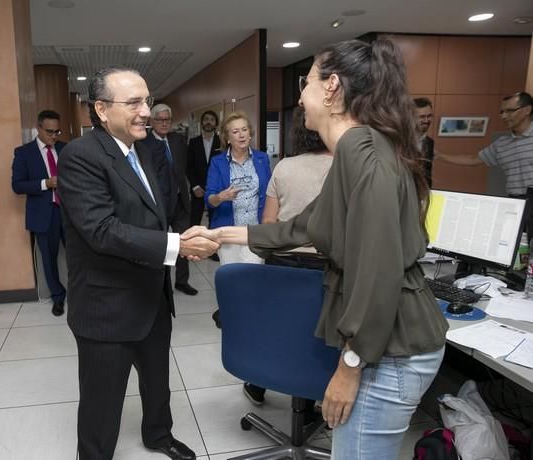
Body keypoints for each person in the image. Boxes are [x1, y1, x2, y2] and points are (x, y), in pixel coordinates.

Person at [183, 39, 449, 459]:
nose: (300, 95)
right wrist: (221, 236)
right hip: (385, 345)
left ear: (332, 87)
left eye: (305, 81)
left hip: (392, 350)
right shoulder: (354, 152)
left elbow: (377, 272)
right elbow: (304, 227)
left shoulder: (366, 155)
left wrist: (349, 366)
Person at [57, 67, 217, 460]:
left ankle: (158, 434)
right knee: (102, 399)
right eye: (134, 103)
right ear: (100, 108)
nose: (146, 111)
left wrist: (185, 236)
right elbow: (102, 230)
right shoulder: (81, 157)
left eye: (146, 100)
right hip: (107, 305)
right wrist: (175, 245)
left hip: (152, 296)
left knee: (158, 381)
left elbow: (161, 209)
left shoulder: (144, 149)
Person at [244, 109, 332, 406]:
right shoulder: (347, 168)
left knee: (278, 325)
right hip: (326, 268)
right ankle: (309, 398)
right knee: (317, 333)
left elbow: (269, 224)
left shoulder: (283, 167)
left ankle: (258, 383)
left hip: (282, 265)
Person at [11, 110, 67, 316]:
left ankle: (82, 294)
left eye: (57, 131)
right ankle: (57, 297)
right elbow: (17, 186)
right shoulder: (24, 153)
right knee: (49, 259)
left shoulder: (65, 148)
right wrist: (46, 183)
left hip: (69, 213)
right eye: (50, 131)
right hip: (45, 215)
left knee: (79, 255)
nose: (54, 136)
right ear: (39, 128)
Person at [140, 103, 198, 296]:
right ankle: (163, 283)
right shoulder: (143, 144)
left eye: (168, 119)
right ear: (152, 121)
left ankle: (182, 281)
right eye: (160, 120)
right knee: (164, 245)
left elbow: (186, 167)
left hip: (181, 201)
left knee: (185, 242)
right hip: (160, 205)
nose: (165, 123)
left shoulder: (178, 140)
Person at [436, 91, 532, 197]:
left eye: (510, 111)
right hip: (516, 199)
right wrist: (440, 156)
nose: (504, 116)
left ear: (527, 110)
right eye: (502, 112)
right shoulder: (501, 143)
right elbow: (473, 159)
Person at [205, 111, 271, 265]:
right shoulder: (217, 162)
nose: (241, 135)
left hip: (255, 231)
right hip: (228, 231)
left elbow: (269, 192)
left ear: (250, 133)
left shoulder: (262, 158)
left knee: (253, 277)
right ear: (227, 138)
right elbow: (209, 199)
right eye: (235, 132)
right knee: (231, 277)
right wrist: (221, 197)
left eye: (244, 130)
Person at [186, 110, 221, 227]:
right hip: (198, 189)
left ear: (216, 124)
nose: (208, 122)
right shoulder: (193, 142)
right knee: (194, 222)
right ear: (201, 123)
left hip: (216, 190)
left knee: (215, 222)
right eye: (206, 119)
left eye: (212, 120)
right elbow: (188, 167)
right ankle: (191, 244)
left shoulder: (222, 143)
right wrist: (195, 186)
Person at [413, 97, 435, 186]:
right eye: (422, 117)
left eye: (429, 116)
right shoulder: (399, 141)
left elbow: (427, 174)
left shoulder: (430, 142)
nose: (426, 120)